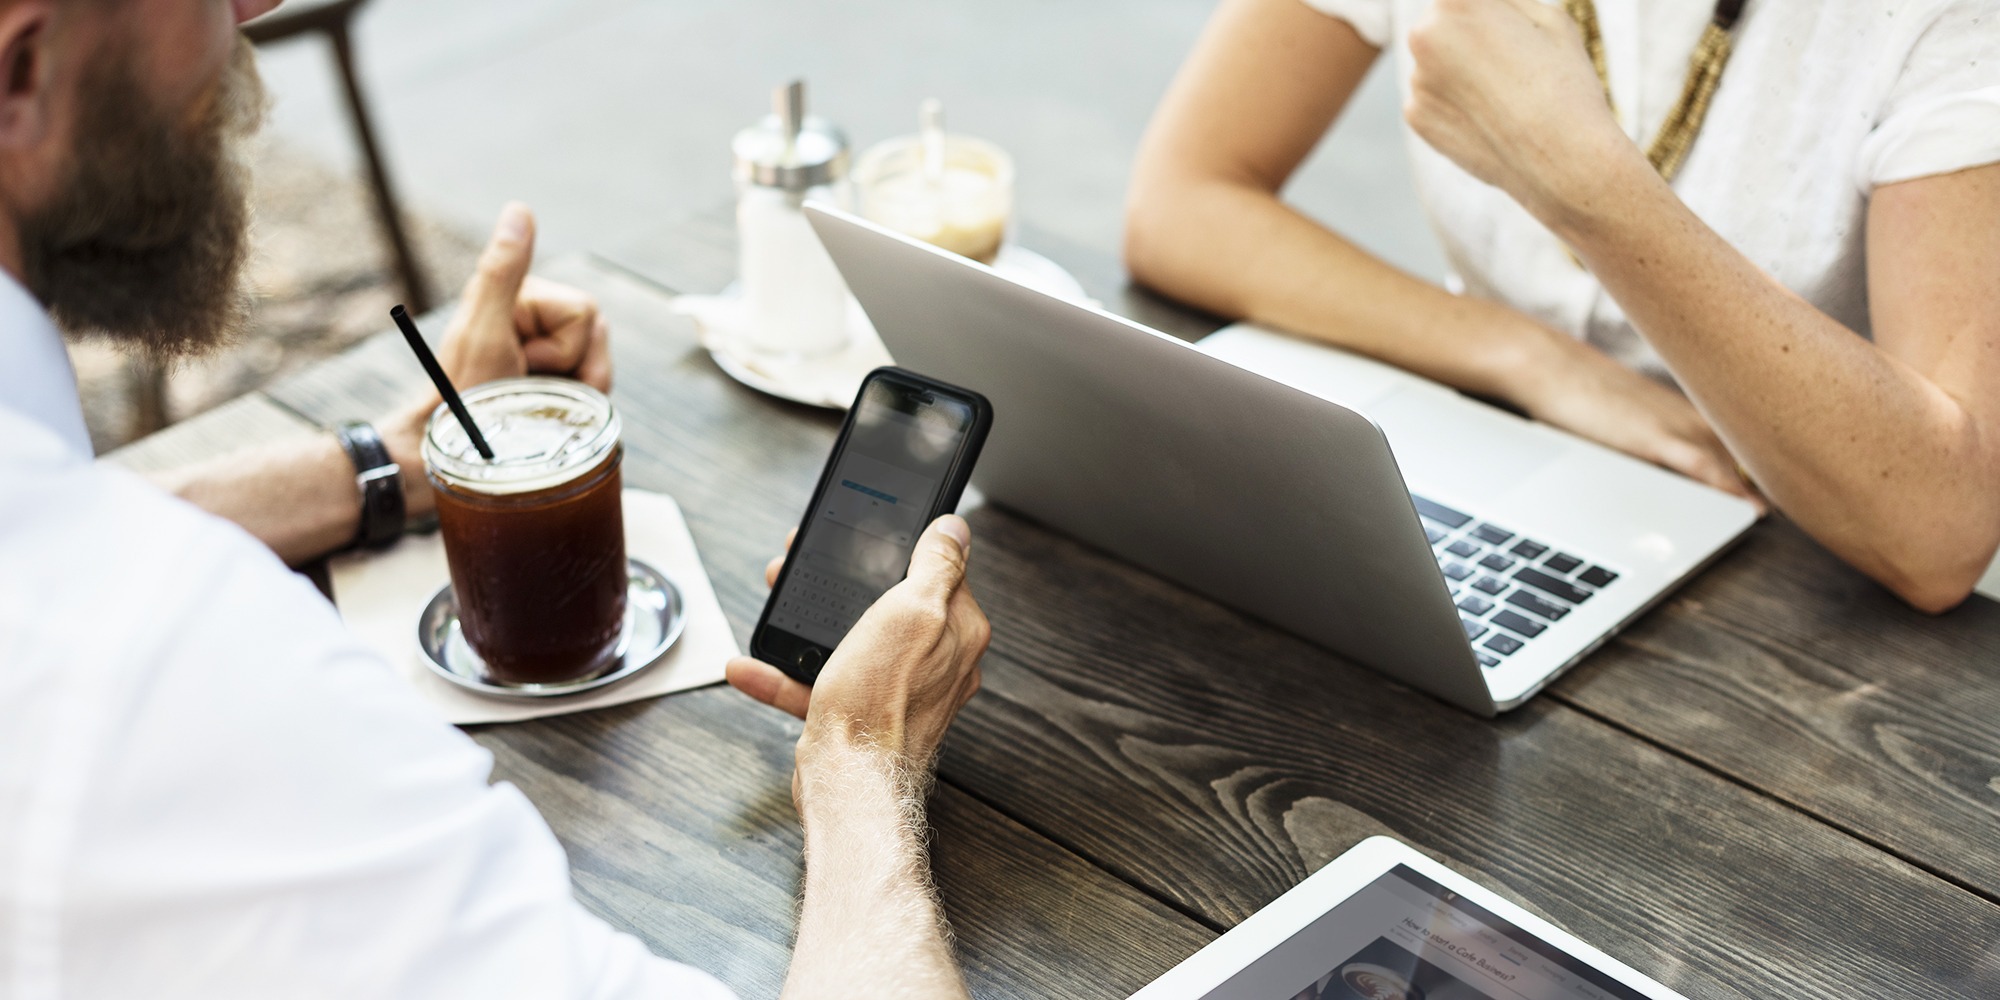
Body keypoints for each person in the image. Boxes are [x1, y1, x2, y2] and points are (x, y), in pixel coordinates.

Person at [0, 2, 988, 997]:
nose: (258, 5)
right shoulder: (170, 677)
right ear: (22, 71)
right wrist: (863, 760)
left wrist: (389, 465)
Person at [1125, 0, 2000, 612]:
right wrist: (1530, 357)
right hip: (1488, 459)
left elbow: (1937, 533)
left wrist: (1586, 183)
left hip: (1790, 540)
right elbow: (1181, 203)